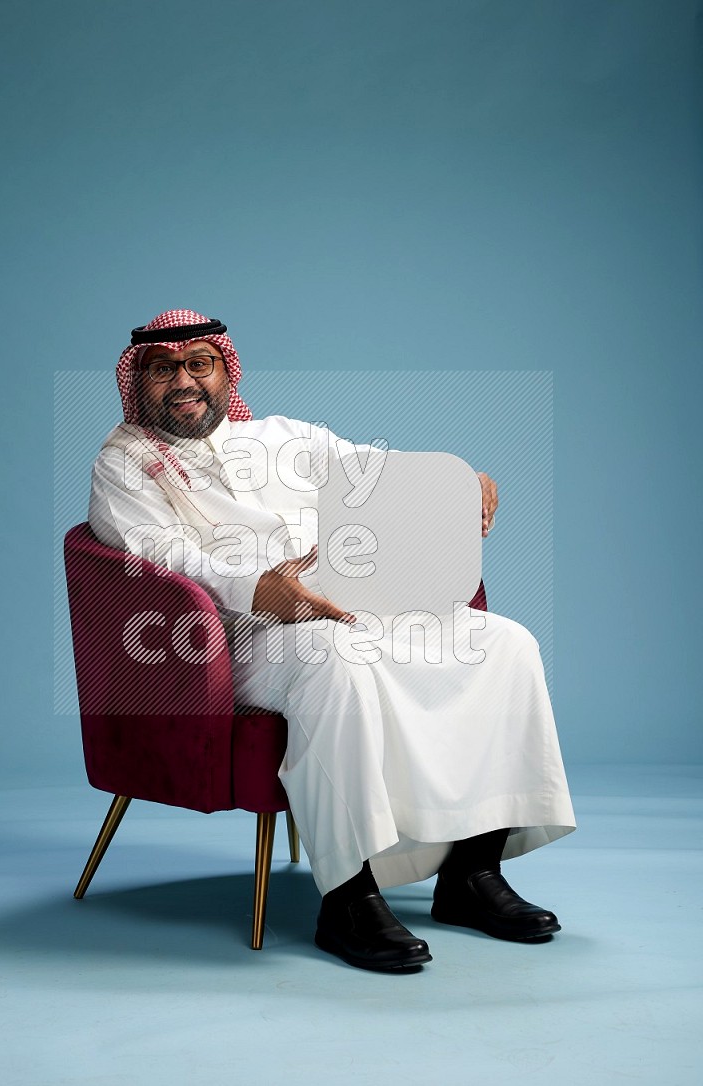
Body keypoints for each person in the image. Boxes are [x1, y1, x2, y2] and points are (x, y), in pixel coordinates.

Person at [88, 308, 576, 972]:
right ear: (137, 380)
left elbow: (375, 470)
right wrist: (262, 590)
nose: (184, 381)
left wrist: (465, 482)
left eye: (198, 363)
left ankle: (471, 873)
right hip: (228, 641)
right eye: (164, 368)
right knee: (337, 664)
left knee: (502, 643)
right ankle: (348, 897)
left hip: (344, 607)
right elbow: (158, 555)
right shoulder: (124, 463)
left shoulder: (281, 435)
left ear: (224, 371)